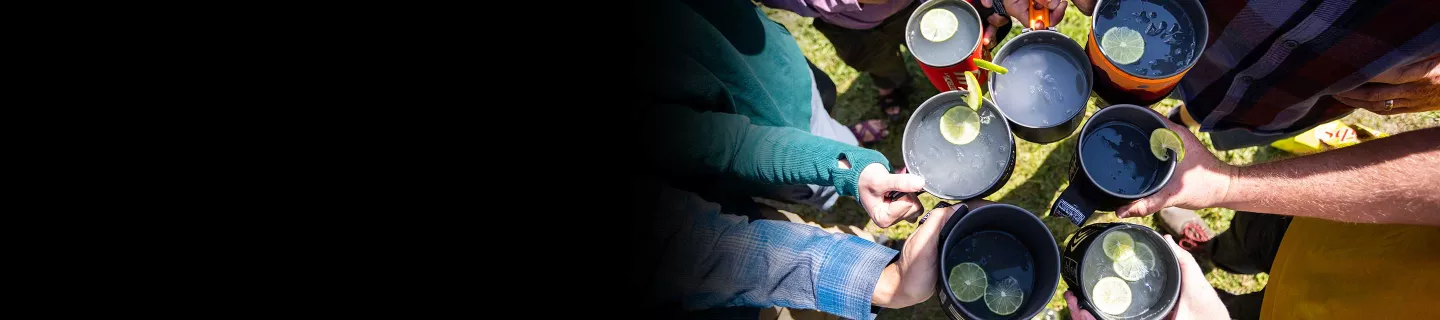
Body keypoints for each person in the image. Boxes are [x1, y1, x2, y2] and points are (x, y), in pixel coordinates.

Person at [758, 0, 1043, 122]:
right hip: (847, 23)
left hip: (918, 7)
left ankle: (951, 83)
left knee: (946, 56)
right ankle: (892, 85)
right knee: (876, 62)